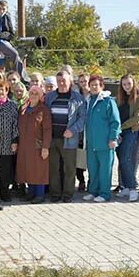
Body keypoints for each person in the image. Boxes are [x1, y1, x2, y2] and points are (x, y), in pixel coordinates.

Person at [45, 70, 86, 203]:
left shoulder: (77, 98)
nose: (61, 83)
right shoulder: (50, 97)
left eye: (64, 81)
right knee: (54, 168)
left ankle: (68, 194)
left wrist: (73, 130)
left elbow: (83, 117)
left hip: (69, 139)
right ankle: (55, 193)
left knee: (69, 168)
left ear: (70, 82)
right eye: (59, 81)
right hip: (52, 138)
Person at [83, 75, 120, 203]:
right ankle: (93, 191)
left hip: (105, 143)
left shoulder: (108, 101)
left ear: (101, 86)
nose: (93, 87)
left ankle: (105, 193)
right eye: (91, 84)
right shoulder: (87, 100)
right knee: (93, 168)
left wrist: (113, 138)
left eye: (96, 85)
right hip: (91, 142)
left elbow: (115, 122)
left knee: (105, 169)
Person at [17, 85, 51, 203]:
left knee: (39, 170)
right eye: (32, 93)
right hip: (25, 145)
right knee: (28, 169)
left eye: (37, 93)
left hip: (38, 145)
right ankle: (31, 193)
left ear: (41, 96)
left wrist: (45, 147)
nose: (34, 95)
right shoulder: (23, 108)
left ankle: (40, 195)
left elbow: (47, 130)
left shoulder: (43, 110)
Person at [117, 74, 139, 202]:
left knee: (126, 159)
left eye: (129, 83)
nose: (127, 86)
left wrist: (122, 127)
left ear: (133, 83)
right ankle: (126, 187)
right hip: (119, 132)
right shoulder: (120, 98)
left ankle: (133, 188)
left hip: (131, 131)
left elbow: (137, 117)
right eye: (124, 84)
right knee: (121, 160)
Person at [0, 0, 24, 77]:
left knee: (18, 58)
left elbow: (12, 34)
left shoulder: (7, 17)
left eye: (4, 9)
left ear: (7, 9)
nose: (1, 11)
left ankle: (23, 78)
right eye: (0, 8)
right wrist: (6, 34)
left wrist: (4, 35)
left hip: (5, 42)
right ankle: (16, 76)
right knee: (15, 54)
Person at [75, 72, 91, 192]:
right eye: (81, 81)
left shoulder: (94, 95)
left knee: (91, 159)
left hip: (91, 131)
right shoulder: (76, 96)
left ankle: (92, 181)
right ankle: (81, 180)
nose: (84, 84)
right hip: (79, 132)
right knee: (79, 158)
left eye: (85, 81)